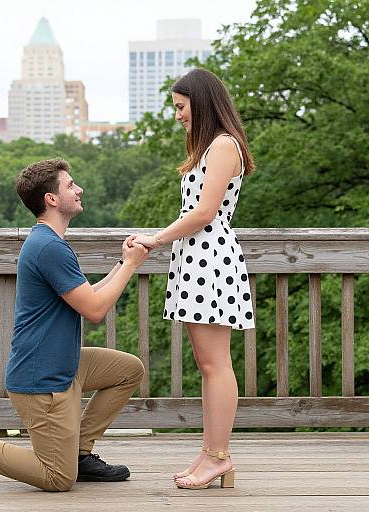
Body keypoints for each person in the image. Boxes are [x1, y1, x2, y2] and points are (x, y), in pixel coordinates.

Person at [0, 158, 148, 492]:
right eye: (71, 185)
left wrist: (122, 262)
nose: (79, 189)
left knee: (128, 370)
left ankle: (79, 452)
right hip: (41, 379)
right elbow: (95, 310)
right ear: (52, 199)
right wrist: (131, 266)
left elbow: (88, 296)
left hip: (64, 364)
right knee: (58, 478)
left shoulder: (50, 242)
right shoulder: (48, 247)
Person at [131, 68, 255, 490]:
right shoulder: (211, 146)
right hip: (197, 259)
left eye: (181, 107)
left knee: (215, 364)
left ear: (200, 103)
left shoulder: (223, 145)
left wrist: (154, 239)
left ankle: (217, 457)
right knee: (209, 364)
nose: (178, 116)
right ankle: (211, 454)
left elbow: (204, 213)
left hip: (209, 258)